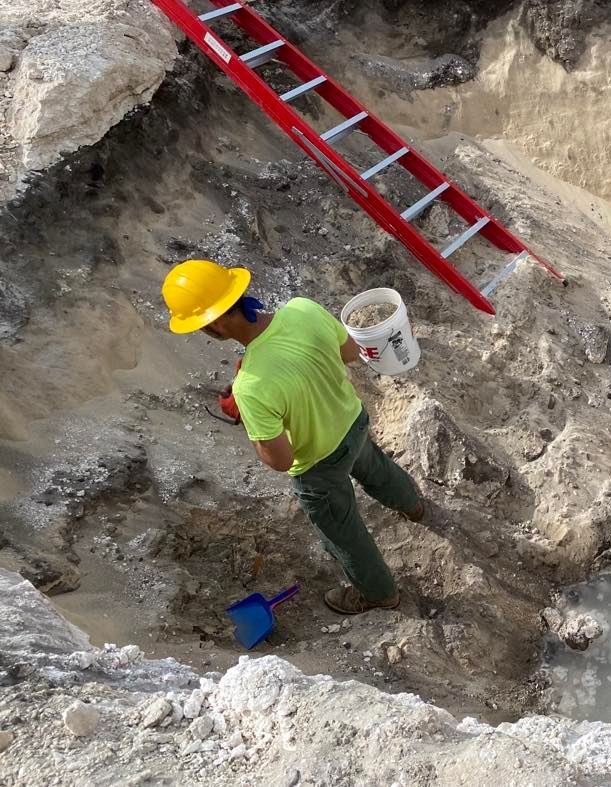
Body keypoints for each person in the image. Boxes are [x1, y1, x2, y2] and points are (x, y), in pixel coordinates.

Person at [161, 258, 424, 616]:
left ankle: (379, 593)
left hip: (319, 464)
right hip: (352, 421)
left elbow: (281, 460)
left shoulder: (250, 386)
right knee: (375, 467)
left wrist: (252, 422)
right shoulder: (302, 309)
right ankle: (413, 505)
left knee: (343, 530)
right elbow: (350, 353)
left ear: (215, 323)